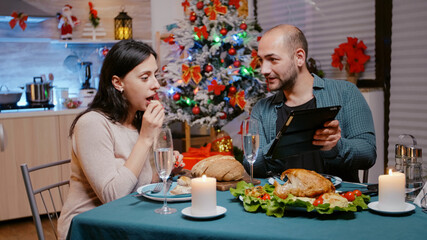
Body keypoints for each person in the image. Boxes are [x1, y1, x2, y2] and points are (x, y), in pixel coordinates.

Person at [57, 40, 183, 239]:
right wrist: (145, 139)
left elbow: (144, 186)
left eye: (155, 75)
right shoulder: (92, 124)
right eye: (145, 77)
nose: (156, 85)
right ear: (118, 83)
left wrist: (166, 168)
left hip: (132, 219)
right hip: (91, 228)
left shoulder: (141, 121)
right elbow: (114, 197)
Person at [243, 24, 376, 182]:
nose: (264, 69)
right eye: (261, 60)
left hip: (336, 202)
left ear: (299, 57)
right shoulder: (262, 109)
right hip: (283, 201)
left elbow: (368, 153)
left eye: (273, 59)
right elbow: (251, 164)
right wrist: (281, 145)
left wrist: (335, 146)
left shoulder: (345, 93)